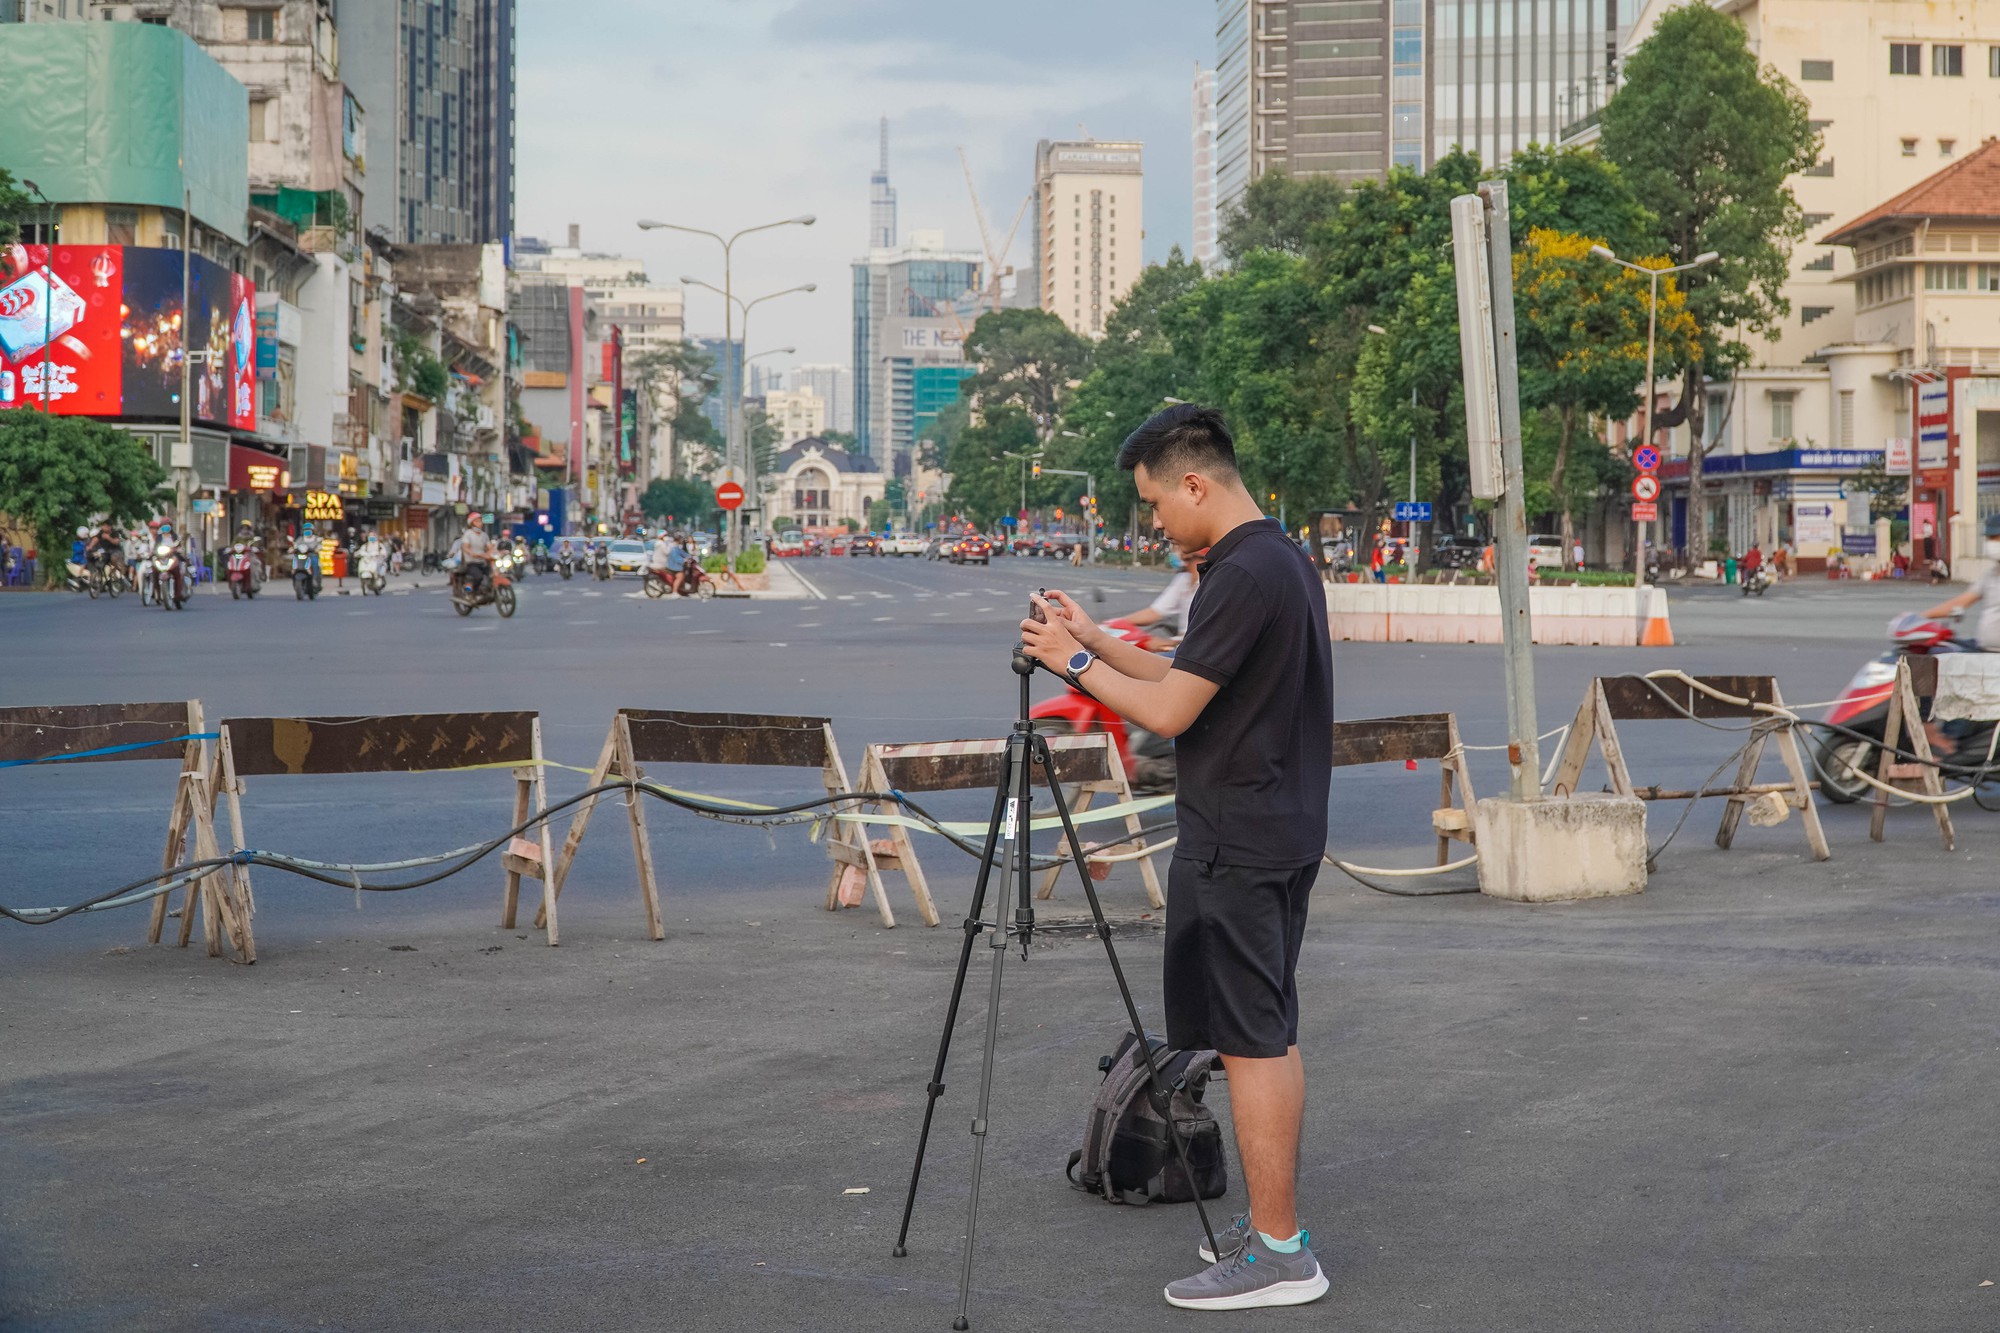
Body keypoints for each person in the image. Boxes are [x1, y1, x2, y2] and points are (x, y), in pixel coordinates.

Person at [1019, 404, 1332, 1311]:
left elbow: (1167, 714)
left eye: (1155, 502)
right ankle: (1279, 1231)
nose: (1154, 521)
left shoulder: (1242, 573)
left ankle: (1281, 1253)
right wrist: (1093, 639)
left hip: (1242, 833)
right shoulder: (1271, 559)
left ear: (1195, 483)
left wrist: (1068, 665)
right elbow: (1181, 672)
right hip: (1270, 824)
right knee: (1264, 1031)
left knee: (1253, 1039)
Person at [1124, 547, 1201, 638]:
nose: (1176, 551)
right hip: (1182, 644)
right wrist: (1117, 623)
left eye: (1176, 545)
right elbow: (1155, 612)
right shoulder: (1183, 580)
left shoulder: (1210, 582)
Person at [452, 513, 495, 597]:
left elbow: (490, 547)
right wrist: (471, 553)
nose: (480, 523)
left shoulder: (484, 535)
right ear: (472, 523)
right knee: (478, 577)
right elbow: (465, 547)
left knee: (492, 575)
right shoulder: (468, 534)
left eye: (480, 521)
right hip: (471, 562)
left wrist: (496, 552)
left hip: (482, 561)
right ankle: (472, 592)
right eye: (477, 521)